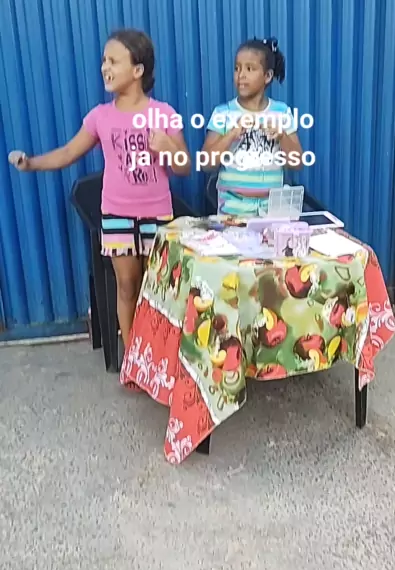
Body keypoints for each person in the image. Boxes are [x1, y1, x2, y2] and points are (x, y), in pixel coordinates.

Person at [9, 29, 191, 346]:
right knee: (127, 285)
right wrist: (31, 163)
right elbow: (68, 153)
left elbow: (184, 167)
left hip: (158, 215)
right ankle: (133, 356)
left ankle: (158, 353)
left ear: (138, 70)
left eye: (113, 61)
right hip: (117, 214)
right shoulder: (100, 117)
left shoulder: (164, 114)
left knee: (158, 287)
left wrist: (167, 147)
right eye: (104, 60)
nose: (105, 67)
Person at [201, 37, 303, 218]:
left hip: (273, 213)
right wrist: (231, 134)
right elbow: (206, 163)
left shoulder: (281, 112)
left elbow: (297, 163)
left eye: (249, 69)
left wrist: (282, 136)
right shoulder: (223, 113)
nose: (241, 75)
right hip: (232, 213)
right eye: (237, 68)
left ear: (267, 76)